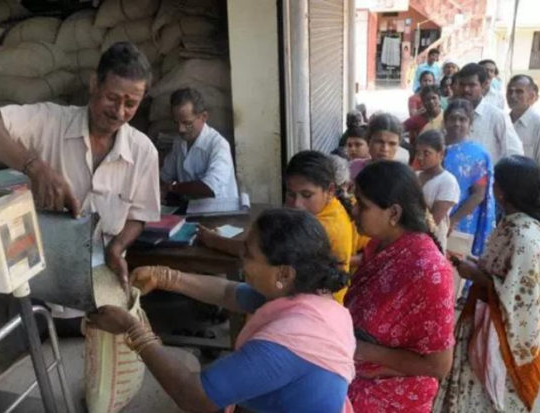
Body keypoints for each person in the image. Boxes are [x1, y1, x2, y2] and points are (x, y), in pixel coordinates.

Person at [0, 42, 160, 326]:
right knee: (36, 361)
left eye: (131, 104)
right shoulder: (49, 122)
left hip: (102, 292)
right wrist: (34, 166)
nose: (119, 111)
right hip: (40, 293)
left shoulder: (143, 152)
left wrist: (117, 247)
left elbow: (139, 215)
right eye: (112, 98)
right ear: (93, 84)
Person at [88, 208, 356, 412]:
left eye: (249, 255)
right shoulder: (309, 298)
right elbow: (229, 292)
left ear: (284, 273)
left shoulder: (290, 342)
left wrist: (134, 330)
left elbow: (192, 395)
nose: (242, 262)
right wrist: (166, 277)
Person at [434, 155, 540, 413]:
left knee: (488, 397)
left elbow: (520, 297)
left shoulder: (524, 236)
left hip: (501, 338)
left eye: (494, 182)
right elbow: (507, 274)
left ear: (501, 191)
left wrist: (476, 275)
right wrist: (476, 264)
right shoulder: (514, 225)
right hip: (486, 321)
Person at [345, 160, 455, 412]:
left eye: (362, 205)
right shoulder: (379, 246)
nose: (354, 212)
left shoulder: (428, 270)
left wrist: (363, 351)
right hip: (357, 370)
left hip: (392, 393)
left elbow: (439, 365)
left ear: (393, 213)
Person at [199, 151, 369, 302]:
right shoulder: (332, 207)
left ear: (330, 190)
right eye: (290, 194)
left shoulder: (323, 226)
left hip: (312, 305)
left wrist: (212, 240)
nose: (297, 204)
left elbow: (254, 249)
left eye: (307, 195)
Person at [160, 87, 238, 200]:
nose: (181, 129)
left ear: (204, 117)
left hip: (219, 212)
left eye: (187, 123)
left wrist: (173, 188)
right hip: (191, 210)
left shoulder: (218, 145)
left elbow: (210, 186)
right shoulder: (179, 142)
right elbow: (165, 175)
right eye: (176, 122)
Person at [443, 99, 495, 256]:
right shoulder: (433, 146)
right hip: (431, 217)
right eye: (453, 118)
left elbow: (479, 194)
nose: (457, 123)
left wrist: (453, 221)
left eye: (462, 119)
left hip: (462, 221)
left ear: (470, 123)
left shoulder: (477, 154)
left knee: (456, 268)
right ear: (445, 121)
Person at [456, 63, 522, 162]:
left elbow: (514, 153)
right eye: (462, 85)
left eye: (471, 85)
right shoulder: (452, 115)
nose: (466, 89)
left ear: (483, 86)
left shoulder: (497, 116)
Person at [415, 130, 460, 249]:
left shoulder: (447, 181)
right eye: (418, 153)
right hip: (411, 235)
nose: (420, 157)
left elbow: (433, 221)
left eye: (426, 153)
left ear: (441, 154)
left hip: (431, 240)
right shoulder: (415, 176)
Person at [507, 74, 540, 176]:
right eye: (510, 91)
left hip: (525, 187)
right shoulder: (503, 121)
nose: (512, 96)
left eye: (519, 92)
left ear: (531, 96)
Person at [349, 113, 405, 180]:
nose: (385, 149)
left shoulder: (402, 177)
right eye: (379, 142)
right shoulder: (354, 168)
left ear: (398, 145)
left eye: (392, 144)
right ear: (368, 140)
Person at [404, 85, 444, 150]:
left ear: (439, 99)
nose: (431, 102)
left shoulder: (447, 117)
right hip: (421, 157)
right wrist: (409, 148)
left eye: (434, 98)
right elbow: (396, 131)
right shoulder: (417, 119)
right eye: (427, 99)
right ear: (422, 102)